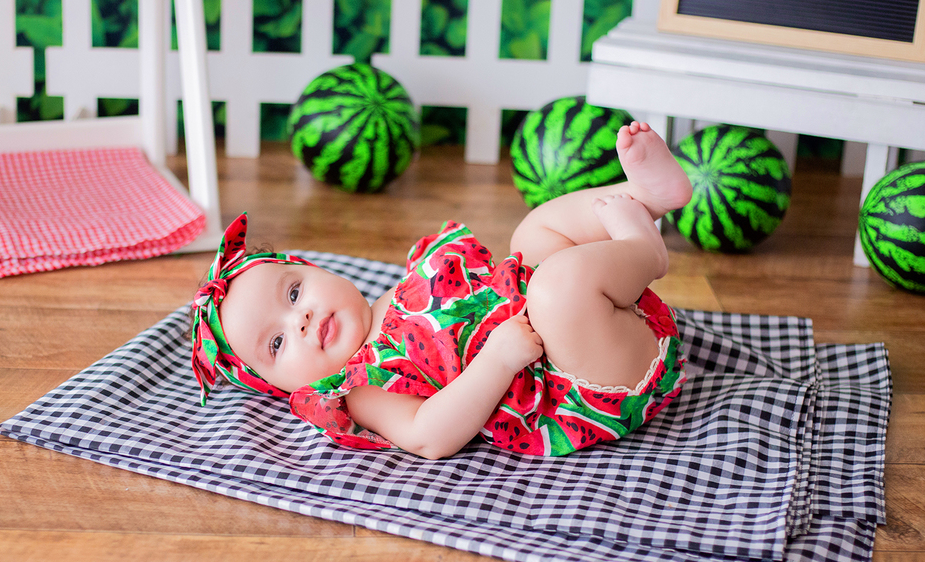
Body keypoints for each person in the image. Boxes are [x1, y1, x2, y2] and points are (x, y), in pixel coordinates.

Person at [191, 121, 691, 459]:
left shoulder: (398, 294)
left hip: (595, 317)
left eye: (294, 293)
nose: (298, 320)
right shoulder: (362, 387)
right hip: (582, 384)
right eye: (277, 344)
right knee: (556, 288)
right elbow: (428, 435)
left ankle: (645, 198)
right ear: (283, 388)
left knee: (533, 234)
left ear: (316, 270)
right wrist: (496, 362)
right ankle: (647, 253)